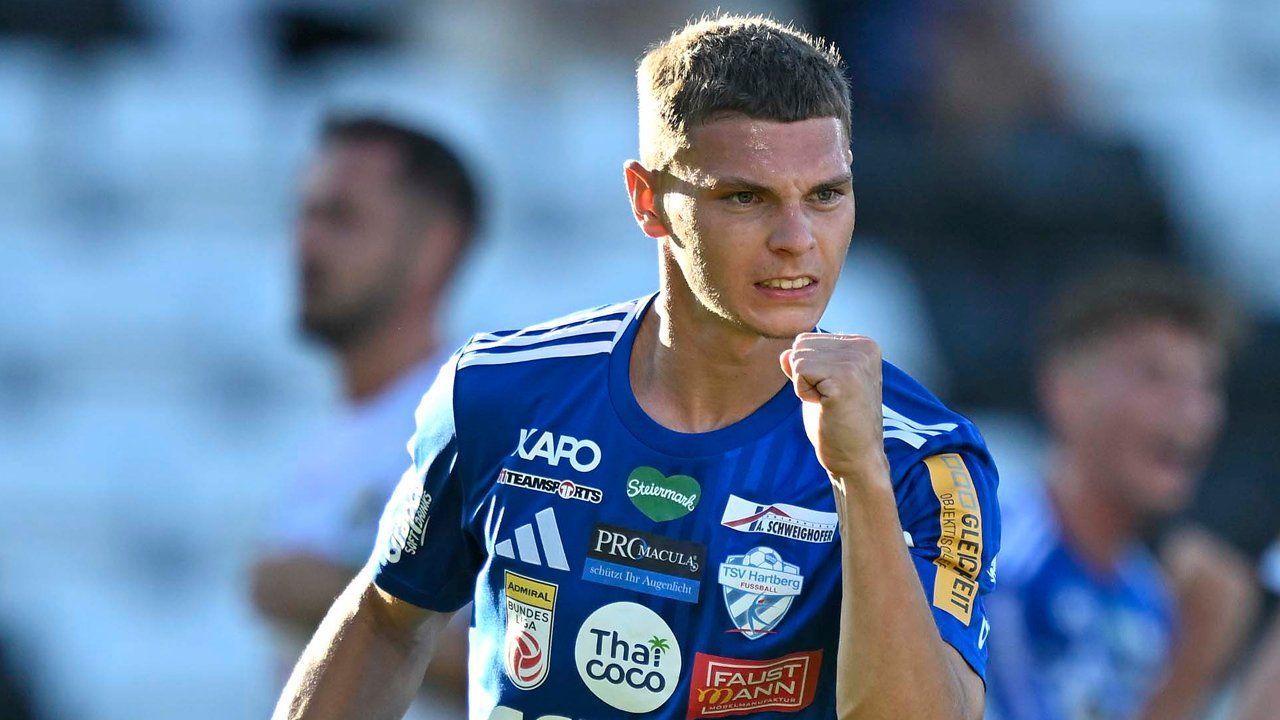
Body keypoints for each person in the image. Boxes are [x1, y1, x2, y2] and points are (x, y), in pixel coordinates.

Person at [273, 15, 1000, 720]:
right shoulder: (500, 393)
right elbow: (387, 618)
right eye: (745, 197)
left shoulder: (923, 459)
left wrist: (860, 479)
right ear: (647, 201)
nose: (796, 239)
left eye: (826, 195)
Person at [251, 114, 478, 718]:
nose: (306, 243)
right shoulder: (331, 433)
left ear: (435, 245)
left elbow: (535, 660)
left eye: (340, 217)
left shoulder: (473, 430)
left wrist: (322, 594)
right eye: (304, 215)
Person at [986, 262, 1258, 720]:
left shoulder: (1147, 595)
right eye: (1155, 376)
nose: (1190, 412)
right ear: (1064, 391)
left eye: (1206, 386)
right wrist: (1194, 657)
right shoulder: (994, 555)